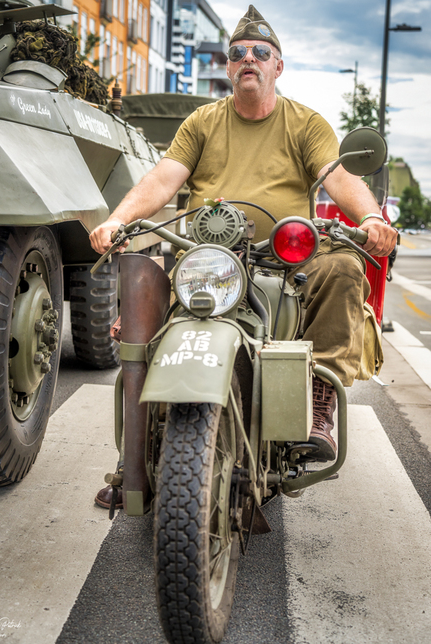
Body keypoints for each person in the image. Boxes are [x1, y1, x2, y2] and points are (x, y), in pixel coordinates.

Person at [90, 5, 398, 509]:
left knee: (343, 266)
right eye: (238, 54)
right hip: (206, 256)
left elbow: (339, 177)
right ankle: (135, 458)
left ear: (278, 66)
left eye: (261, 52)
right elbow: (163, 178)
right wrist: (117, 220)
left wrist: (371, 221)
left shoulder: (305, 123)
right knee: (143, 294)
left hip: (286, 260)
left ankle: (319, 402)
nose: (248, 59)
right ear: (230, 68)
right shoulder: (203, 122)